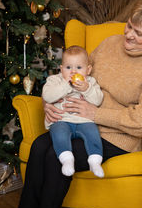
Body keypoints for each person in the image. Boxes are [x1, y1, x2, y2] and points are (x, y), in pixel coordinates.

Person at [16, 0, 142, 208]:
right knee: (39, 147)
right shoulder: (110, 43)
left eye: (139, 33)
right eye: (129, 25)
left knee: (55, 156)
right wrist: (48, 103)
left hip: (116, 135)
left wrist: (96, 113)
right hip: (75, 121)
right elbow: (74, 74)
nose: (128, 35)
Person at [42, 45, 104, 178]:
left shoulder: (90, 82)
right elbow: (47, 96)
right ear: (61, 68)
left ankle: (95, 160)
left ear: (88, 70)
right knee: (59, 133)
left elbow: (98, 100)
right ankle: (66, 159)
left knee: (93, 132)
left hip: (84, 121)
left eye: (79, 68)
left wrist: (86, 89)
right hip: (61, 120)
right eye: (68, 67)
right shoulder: (55, 80)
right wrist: (65, 85)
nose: (73, 72)